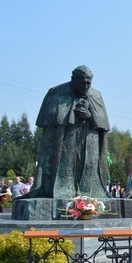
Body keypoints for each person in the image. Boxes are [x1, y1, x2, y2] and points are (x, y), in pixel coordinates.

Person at [23, 65, 110, 200]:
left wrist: (89, 115)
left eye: (89, 82)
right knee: (66, 167)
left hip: (89, 138)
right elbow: (48, 119)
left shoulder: (96, 95)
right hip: (66, 138)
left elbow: (102, 122)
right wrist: (70, 115)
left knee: (89, 168)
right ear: (73, 79)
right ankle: (64, 193)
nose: (86, 86)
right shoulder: (56, 92)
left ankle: (89, 196)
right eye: (83, 82)